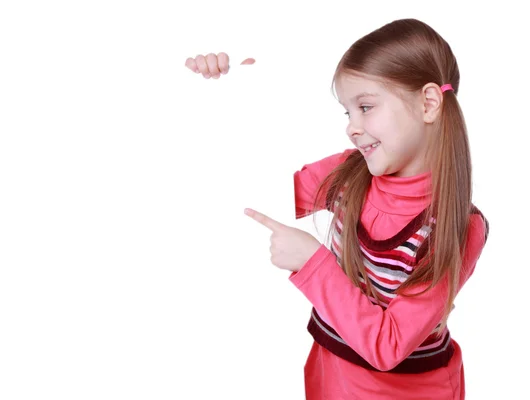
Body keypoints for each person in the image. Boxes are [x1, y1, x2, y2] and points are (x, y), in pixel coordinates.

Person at [186, 18, 489, 400]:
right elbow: (252, 191)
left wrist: (313, 262)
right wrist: (224, 97)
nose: (352, 127)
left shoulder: (458, 226)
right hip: (330, 379)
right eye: (348, 112)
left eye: (365, 107)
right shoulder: (349, 173)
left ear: (428, 103)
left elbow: (388, 345)